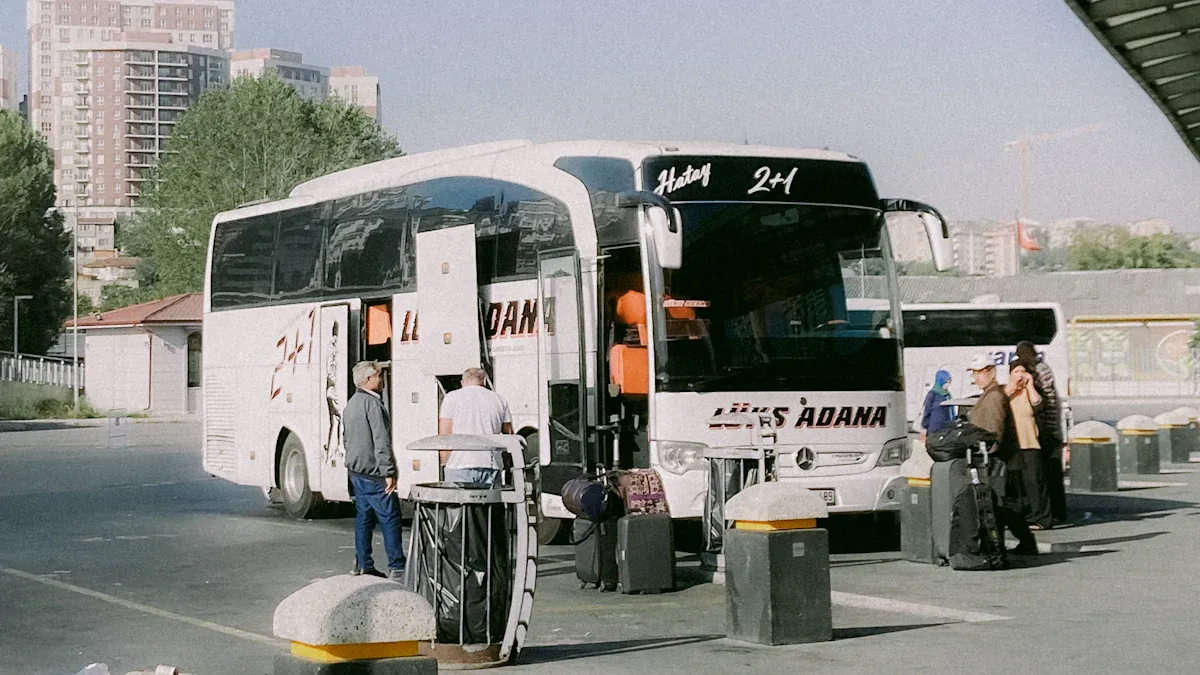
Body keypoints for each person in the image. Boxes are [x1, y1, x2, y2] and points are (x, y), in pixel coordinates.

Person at [966, 354, 1038, 556]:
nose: (976, 377)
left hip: (1002, 461)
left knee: (1006, 505)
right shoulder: (989, 394)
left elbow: (995, 431)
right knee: (1006, 505)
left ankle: (1021, 543)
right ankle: (1023, 542)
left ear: (991, 372)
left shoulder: (995, 396)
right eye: (974, 373)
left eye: (979, 372)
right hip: (1001, 460)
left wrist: (987, 451)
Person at [343, 360, 406, 580]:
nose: (381, 379)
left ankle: (362, 562)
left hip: (356, 471)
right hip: (374, 473)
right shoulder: (373, 404)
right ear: (368, 380)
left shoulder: (351, 404)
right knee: (390, 517)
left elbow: (347, 438)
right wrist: (389, 471)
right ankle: (397, 566)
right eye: (378, 375)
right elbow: (380, 440)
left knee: (364, 517)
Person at [1015, 340, 1066, 524]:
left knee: (1048, 474)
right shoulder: (1041, 368)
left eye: (1021, 354)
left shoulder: (1039, 371)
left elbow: (1043, 401)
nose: (1020, 358)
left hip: (1048, 430)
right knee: (1051, 474)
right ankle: (1057, 512)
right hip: (1051, 429)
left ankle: (1053, 513)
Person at [438, 367, 513, 486]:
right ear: (484, 381)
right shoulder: (499, 399)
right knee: (489, 503)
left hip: (459, 465)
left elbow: (445, 435)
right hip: (491, 465)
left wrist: (445, 462)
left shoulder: (451, 398)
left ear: (462, 383)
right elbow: (509, 434)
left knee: (459, 503)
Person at [1006, 362, 1051, 531]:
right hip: (1014, 445)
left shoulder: (1029, 392)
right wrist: (1012, 387)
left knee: (1035, 481)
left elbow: (1039, 404)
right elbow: (1001, 401)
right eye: (1016, 371)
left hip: (1030, 442)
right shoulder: (1007, 391)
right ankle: (1025, 515)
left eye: (1023, 371)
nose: (1020, 374)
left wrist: (1030, 385)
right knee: (1018, 483)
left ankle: (1042, 517)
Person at [920, 369, 954, 440]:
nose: (948, 384)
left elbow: (951, 411)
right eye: (946, 382)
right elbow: (927, 411)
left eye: (949, 382)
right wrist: (924, 426)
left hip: (946, 428)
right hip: (934, 428)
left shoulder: (948, 395)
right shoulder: (932, 394)